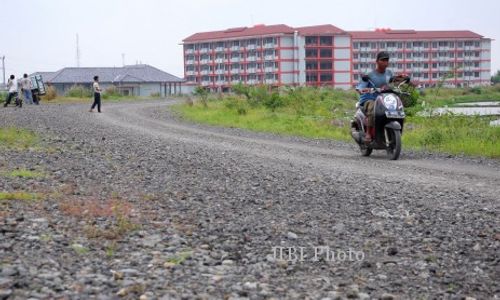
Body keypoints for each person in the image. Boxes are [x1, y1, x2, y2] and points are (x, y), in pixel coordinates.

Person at [356, 51, 393, 143]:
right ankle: (368, 133)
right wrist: (361, 89)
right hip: (370, 99)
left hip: (384, 99)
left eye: (387, 60)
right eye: (383, 60)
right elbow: (361, 85)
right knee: (373, 109)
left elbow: (393, 83)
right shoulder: (370, 75)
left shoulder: (389, 73)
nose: (385, 62)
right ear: (376, 61)